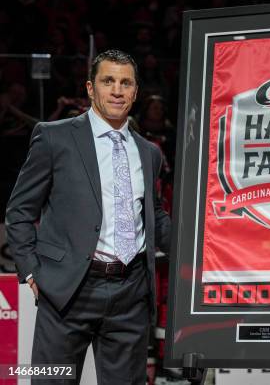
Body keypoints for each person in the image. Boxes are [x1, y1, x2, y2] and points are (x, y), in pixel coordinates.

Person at [5, 49, 171, 384]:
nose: (117, 90)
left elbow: (152, 216)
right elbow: (19, 210)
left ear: (136, 92)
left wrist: (202, 239)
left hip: (131, 292)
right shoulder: (53, 137)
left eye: (126, 83)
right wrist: (32, 272)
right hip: (66, 291)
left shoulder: (149, 152)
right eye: (108, 81)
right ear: (91, 88)